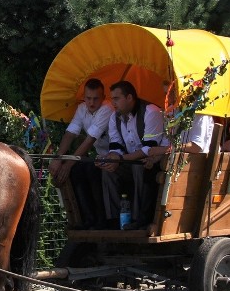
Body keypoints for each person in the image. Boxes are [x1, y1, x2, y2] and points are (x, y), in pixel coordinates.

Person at [98, 80, 167, 230]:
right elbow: (115, 145)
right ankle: (114, 219)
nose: (113, 103)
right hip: (129, 162)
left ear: (129, 98)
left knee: (138, 167)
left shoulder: (151, 112)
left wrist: (121, 159)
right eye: (112, 99)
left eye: (116, 99)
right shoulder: (114, 117)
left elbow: (149, 149)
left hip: (153, 163)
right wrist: (111, 159)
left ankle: (137, 219)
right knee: (108, 170)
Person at [48, 78, 113, 229]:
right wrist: (58, 159)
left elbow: (89, 140)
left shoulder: (107, 108)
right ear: (84, 97)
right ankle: (86, 220)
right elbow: (70, 133)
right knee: (77, 170)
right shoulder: (82, 108)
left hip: (115, 156)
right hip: (100, 157)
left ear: (103, 98)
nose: (91, 102)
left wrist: (68, 163)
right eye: (88, 98)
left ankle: (101, 220)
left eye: (96, 98)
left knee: (88, 169)